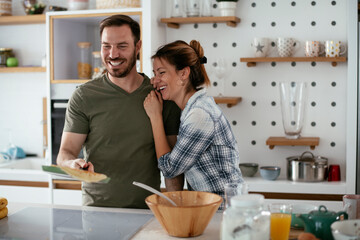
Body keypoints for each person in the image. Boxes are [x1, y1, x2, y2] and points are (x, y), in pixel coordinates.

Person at [56, 14, 182, 209]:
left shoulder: (160, 96)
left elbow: (173, 165)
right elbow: (65, 153)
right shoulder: (83, 96)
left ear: (138, 47)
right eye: (106, 46)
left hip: (147, 211)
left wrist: (177, 208)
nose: (113, 54)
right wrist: (73, 164)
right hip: (96, 211)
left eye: (122, 46)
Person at [143, 40, 243, 202]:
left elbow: (169, 169)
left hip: (223, 211)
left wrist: (155, 117)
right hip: (216, 209)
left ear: (183, 73)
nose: (154, 80)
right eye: (154, 74)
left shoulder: (199, 115)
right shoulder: (193, 109)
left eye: (161, 73)